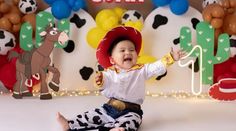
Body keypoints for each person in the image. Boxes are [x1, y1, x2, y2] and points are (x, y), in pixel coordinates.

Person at [57, 26, 185, 131]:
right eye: (122, 50)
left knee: (131, 122)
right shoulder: (110, 72)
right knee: (92, 115)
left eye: (132, 50)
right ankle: (70, 124)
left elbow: (156, 67)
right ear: (112, 59)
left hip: (132, 111)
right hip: (109, 108)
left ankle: (117, 129)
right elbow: (106, 82)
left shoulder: (141, 70)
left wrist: (170, 58)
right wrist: (100, 80)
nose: (128, 52)